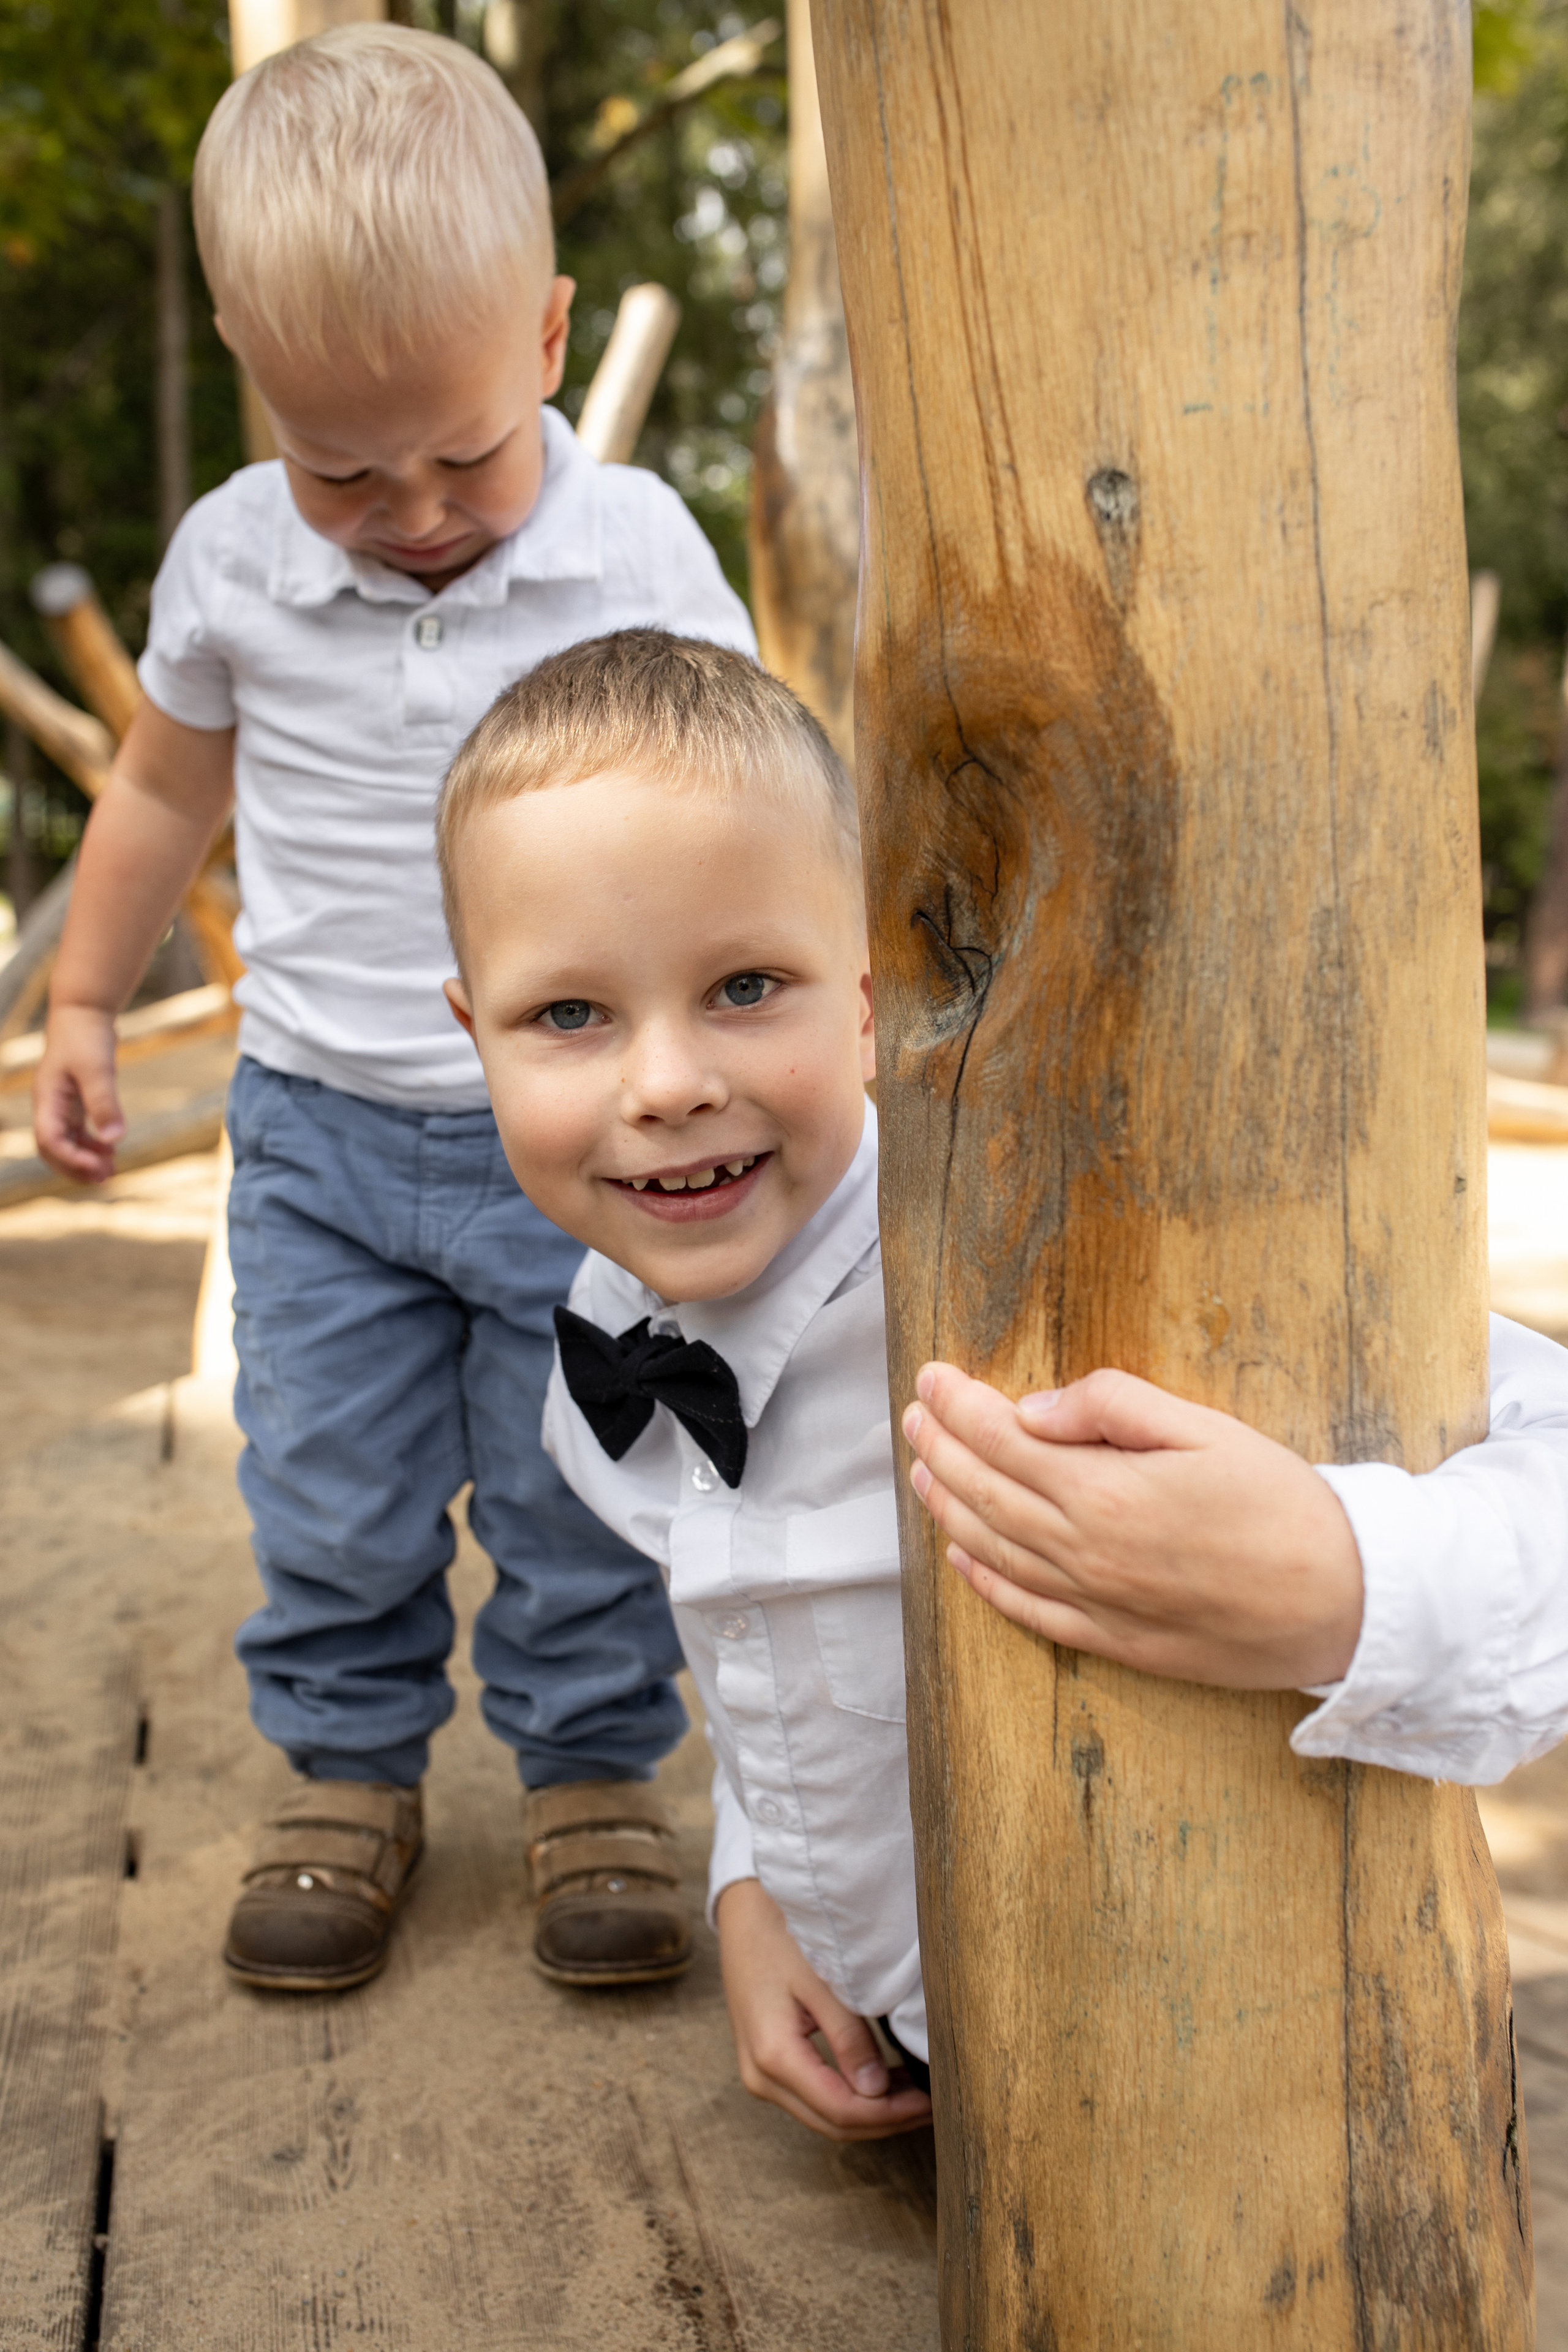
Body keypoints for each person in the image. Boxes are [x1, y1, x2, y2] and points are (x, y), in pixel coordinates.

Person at [436, 626, 1568, 2141]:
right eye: (568, 1016)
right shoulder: (604, 1366)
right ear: (473, 1037)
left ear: (870, 985)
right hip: (937, 2105)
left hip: (1258, 2117)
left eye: (745, 985)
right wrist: (758, 1890)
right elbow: (754, 1649)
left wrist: (1334, 1579)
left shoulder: (1058, 1244)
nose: (663, 1082)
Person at [32, 26, 755, 1996]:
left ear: (547, 335)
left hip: (583, 1148)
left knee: (582, 1479)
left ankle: (595, 1775)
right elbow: (163, 788)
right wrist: (88, 999)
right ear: (261, 384)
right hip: (320, 1133)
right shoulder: (235, 565)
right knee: (327, 1484)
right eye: (342, 463)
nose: (415, 508)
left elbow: (753, 800)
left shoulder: (637, 557)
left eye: (462, 453)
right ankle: (346, 1774)